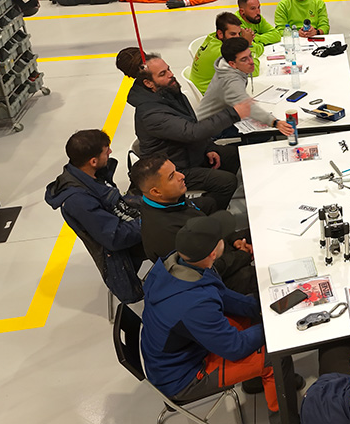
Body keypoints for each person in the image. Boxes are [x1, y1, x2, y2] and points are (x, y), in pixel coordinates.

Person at [140, 212, 297, 422]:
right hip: (183, 378)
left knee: (253, 318)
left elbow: (222, 295)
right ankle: (286, 419)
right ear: (214, 252)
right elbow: (235, 348)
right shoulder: (193, 304)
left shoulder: (179, 262)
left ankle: (253, 381)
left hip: (182, 350)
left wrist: (263, 308)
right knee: (275, 356)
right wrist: (273, 323)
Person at [118, 48, 249, 211]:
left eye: (168, 69)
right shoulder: (151, 114)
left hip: (186, 152)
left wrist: (207, 147)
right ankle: (201, 216)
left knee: (233, 155)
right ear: (148, 83)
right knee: (226, 182)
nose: (170, 74)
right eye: (162, 74)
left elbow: (190, 124)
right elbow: (192, 132)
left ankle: (223, 199)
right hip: (173, 168)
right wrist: (234, 113)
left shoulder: (170, 91)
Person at [130, 154, 257, 296]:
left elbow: (210, 228)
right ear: (156, 191)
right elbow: (208, 269)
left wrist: (235, 240)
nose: (181, 176)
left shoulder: (171, 200)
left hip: (216, 250)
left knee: (259, 231)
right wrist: (242, 255)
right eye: (172, 176)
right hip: (212, 281)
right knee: (261, 277)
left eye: (176, 170)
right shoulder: (166, 233)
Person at [44, 129, 147, 303]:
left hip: (129, 224)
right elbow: (115, 238)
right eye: (106, 151)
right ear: (93, 161)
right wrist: (150, 222)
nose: (111, 153)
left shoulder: (91, 176)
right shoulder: (79, 201)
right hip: (124, 246)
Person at [196, 37, 295, 137]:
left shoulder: (225, 65)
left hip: (221, 116)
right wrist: (275, 122)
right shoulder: (230, 81)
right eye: (244, 59)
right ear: (232, 64)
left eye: (250, 56)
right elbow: (246, 106)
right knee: (263, 135)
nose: (251, 61)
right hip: (210, 129)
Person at [191, 12, 265, 94]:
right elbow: (253, 71)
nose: (237, 37)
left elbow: (260, 49)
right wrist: (248, 44)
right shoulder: (221, 52)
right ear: (220, 34)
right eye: (233, 34)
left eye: (239, 33)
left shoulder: (213, 37)